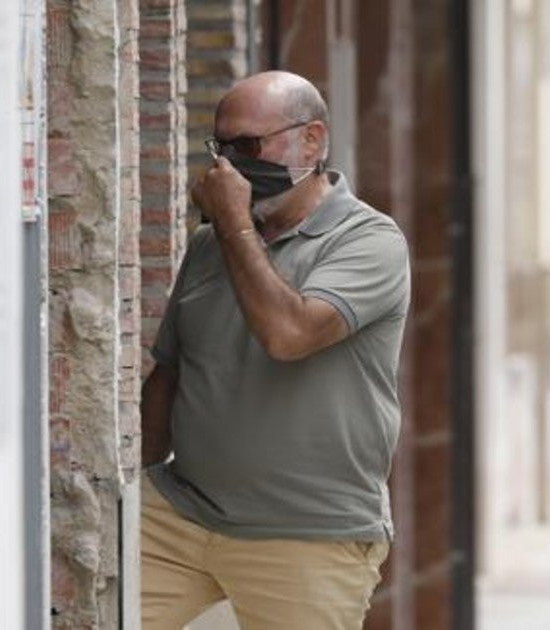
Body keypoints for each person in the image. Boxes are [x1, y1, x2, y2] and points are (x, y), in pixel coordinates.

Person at [138, 71, 410, 629]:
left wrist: (233, 219)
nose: (230, 166)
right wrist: (125, 481)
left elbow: (289, 335)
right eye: (221, 148)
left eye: (247, 147)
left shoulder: (371, 242)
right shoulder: (210, 245)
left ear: (312, 140)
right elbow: (170, 373)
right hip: (179, 516)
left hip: (308, 533)